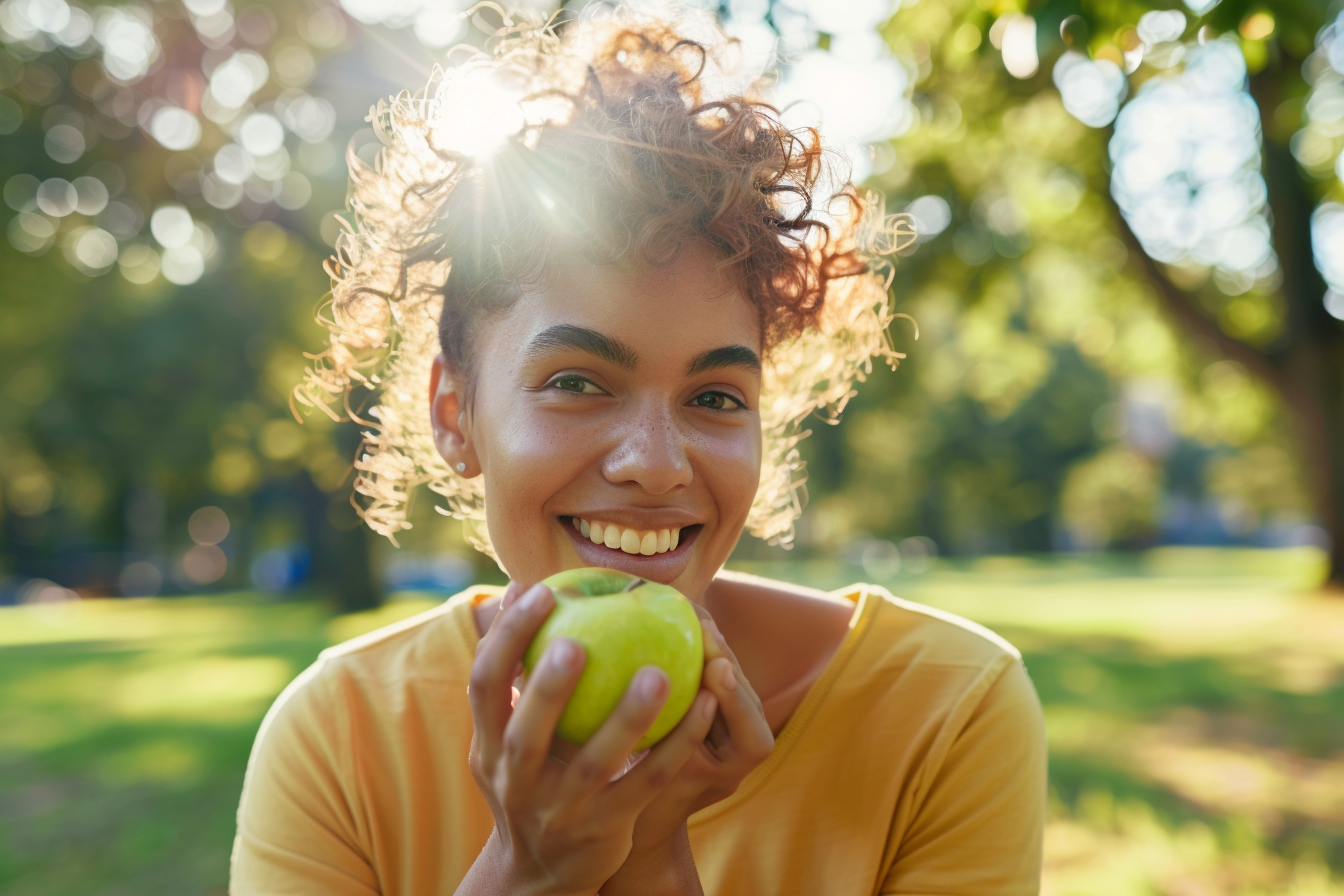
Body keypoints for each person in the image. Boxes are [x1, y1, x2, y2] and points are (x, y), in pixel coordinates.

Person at [229, 4, 1047, 895]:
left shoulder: (944, 709)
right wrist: (525, 873)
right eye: (577, 383)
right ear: (455, 416)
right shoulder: (340, 734)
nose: (655, 464)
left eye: (714, 397)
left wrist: (651, 856)